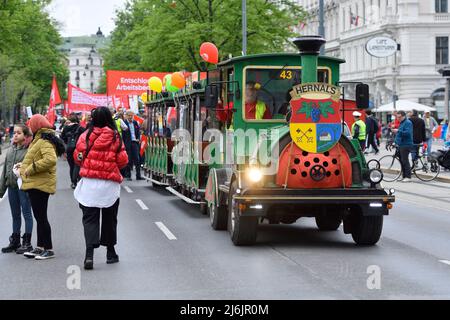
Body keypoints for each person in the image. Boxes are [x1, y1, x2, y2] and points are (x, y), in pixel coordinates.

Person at [73, 107, 129, 270]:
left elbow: (77, 157)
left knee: (89, 219)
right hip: (109, 185)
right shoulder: (115, 136)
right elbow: (123, 160)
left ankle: (89, 255)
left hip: (89, 184)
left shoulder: (85, 135)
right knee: (110, 219)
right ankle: (110, 253)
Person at [19, 114, 64, 260]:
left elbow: (50, 160)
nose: (29, 127)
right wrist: (23, 166)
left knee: (41, 217)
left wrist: (31, 168)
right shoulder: (40, 138)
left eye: (31, 124)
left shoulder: (44, 140)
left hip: (40, 183)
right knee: (39, 217)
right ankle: (39, 247)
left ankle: (49, 249)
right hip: (36, 182)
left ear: (36, 125)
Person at [0, 124, 34, 254]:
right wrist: (2, 189)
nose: (15, 135)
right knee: (15, 215)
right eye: (14, 133)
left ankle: (27, 241)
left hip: (23, 187)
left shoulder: (28, 151)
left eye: (18, 133)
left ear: (25, 136)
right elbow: (5, 171)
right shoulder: (10, 150)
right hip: (12, 187)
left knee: (26, 213)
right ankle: (15, 240)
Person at [61, 114, 83, 189]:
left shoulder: (66, 127)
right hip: (79, 149)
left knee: (71, 166)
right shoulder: (80, 128)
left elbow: (62, 137)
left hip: (69, 149)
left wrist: (67, 142)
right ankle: (79, 180)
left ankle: (73, 182)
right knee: (78, 164)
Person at [393, 111, 413, 182]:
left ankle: (408, 176)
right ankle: (404, 176)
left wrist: (398, 131)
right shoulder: (402, 122)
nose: (398, 119)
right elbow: (399, 135)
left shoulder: (408, 122)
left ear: (404, 116)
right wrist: (395, 142)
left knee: (405, 160)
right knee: (402, 161)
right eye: (397, 117)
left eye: (399, 117)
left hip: (406, 144)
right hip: (401, 144)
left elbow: (408, 133)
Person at [123, 111, 144, 181]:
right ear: (126, 116)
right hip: (127, 143)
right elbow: (123, 134)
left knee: (137, 159)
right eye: (129, 115)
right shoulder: (124, 123)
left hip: (135, 143)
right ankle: (128, 175)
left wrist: (138, 138)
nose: (130, 117)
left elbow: (138, 131)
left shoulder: (135, 123)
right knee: (128, 160)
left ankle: (138, 175)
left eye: (132, 115)